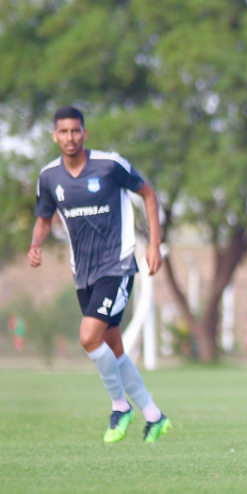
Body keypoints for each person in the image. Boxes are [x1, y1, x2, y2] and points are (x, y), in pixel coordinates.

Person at [29, 106, 170, 443]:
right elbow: (44, 217)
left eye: (75, 131)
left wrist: (153, 244)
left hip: (118, 266)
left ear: (85, 133)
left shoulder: (109, 165)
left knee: (89, 336)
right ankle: (155, 416)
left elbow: (148, 194)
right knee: (114, 349)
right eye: (63, 132)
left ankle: (120, 407)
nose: (70, 137)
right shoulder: (49, 177)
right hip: (84, 273)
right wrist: (36, 243)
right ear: (54, 136)